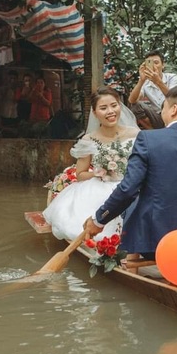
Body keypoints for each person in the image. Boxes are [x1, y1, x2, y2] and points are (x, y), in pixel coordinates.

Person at [84, 85, 177, 260]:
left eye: (163, 107)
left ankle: (131, 260)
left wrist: (99, 220)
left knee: (136, 199)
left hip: (154, 242)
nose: (160, 113)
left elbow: (128, 189)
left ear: (173, 110)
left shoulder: (148, 138)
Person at [43, 87, 139, 241]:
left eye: (114, 105)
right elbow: (80, 174)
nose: (110, 111)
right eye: (103, 108)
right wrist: (97, 173)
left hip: (129, 186)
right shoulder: (88, 140)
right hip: (100, 187)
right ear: (95, 113)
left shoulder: (135, 134)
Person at [128, 50, 177, 130]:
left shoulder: (172, 77)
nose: (153, 66)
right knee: (135, 106)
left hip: (173, 115)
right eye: (150, 63)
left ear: (163, 65)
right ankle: (153, 131)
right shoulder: (145, 81)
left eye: (156, 62)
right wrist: (141, 81)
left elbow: (174, 97)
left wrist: (158, 81)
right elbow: (132, 100)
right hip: (156, 117)